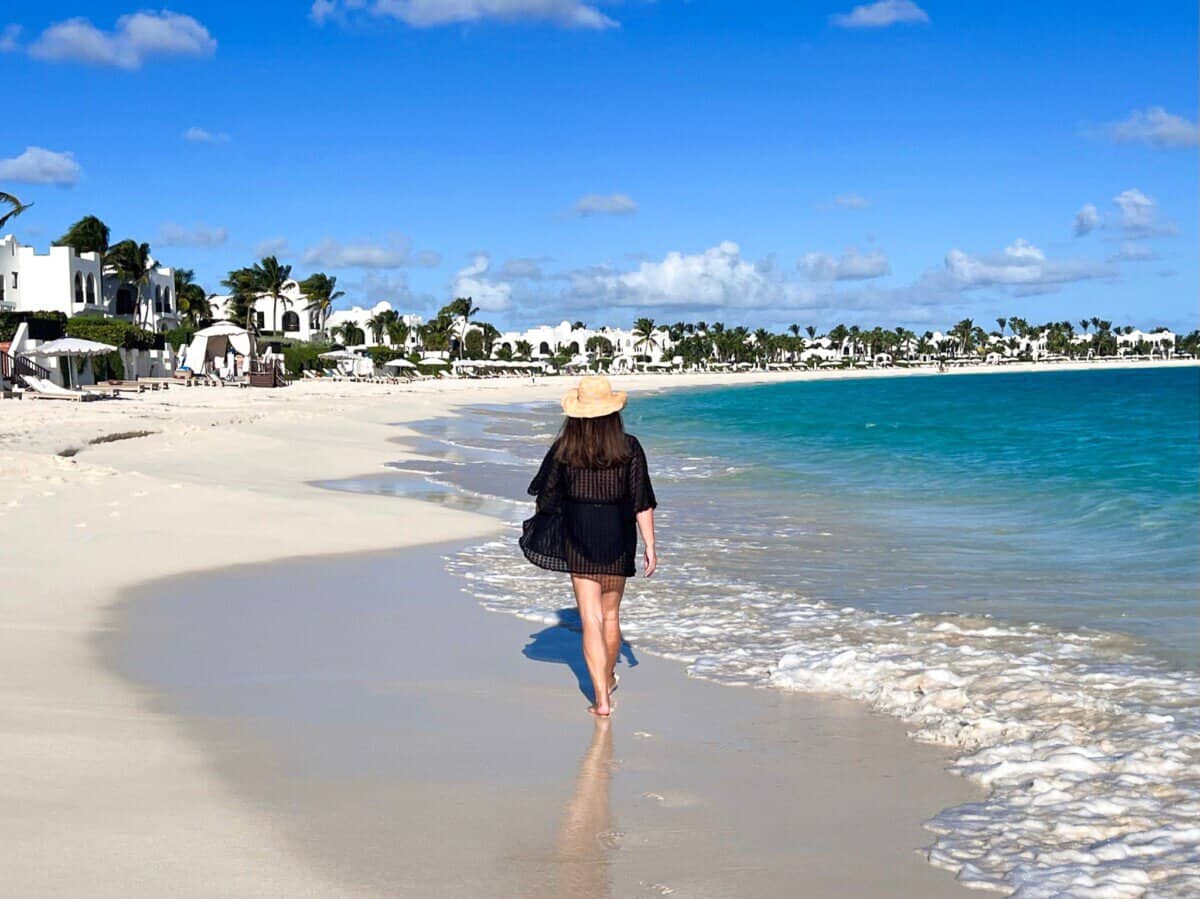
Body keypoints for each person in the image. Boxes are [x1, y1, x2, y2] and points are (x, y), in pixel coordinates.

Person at [520, 376, 658, 718]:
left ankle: (602, 700)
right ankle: (609, 677)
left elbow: (545, 494)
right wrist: (650, 546)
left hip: (579, 535)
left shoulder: (565, 449)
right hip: (618, 535)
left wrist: (553, 524)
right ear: (613, 413)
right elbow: (642, 501)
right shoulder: (629, 447)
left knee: (591, 618)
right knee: (610, 615)